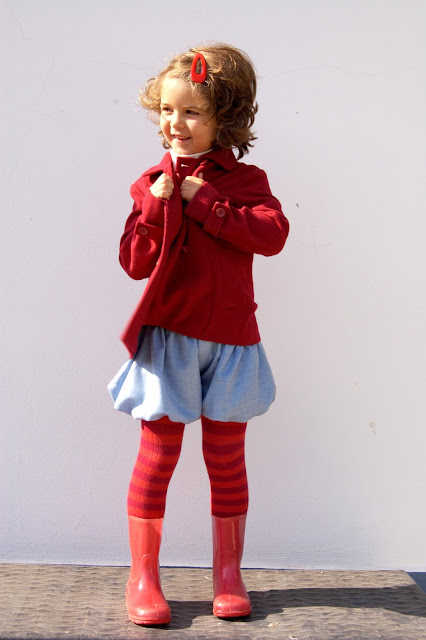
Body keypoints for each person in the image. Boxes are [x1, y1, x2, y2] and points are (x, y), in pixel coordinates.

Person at [108, 42, 289, 626]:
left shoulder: (246, 181)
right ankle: (143, 578)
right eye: (167, 110)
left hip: (232, 340)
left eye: (191, 112)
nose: (175, 123)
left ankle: (228, 575)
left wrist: (207, 202)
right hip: (170, 341)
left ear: (224, 118)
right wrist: (154, 208)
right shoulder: (150, 182)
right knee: (158, 455)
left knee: (226, 459)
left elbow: (272, 234)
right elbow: (134, 263)